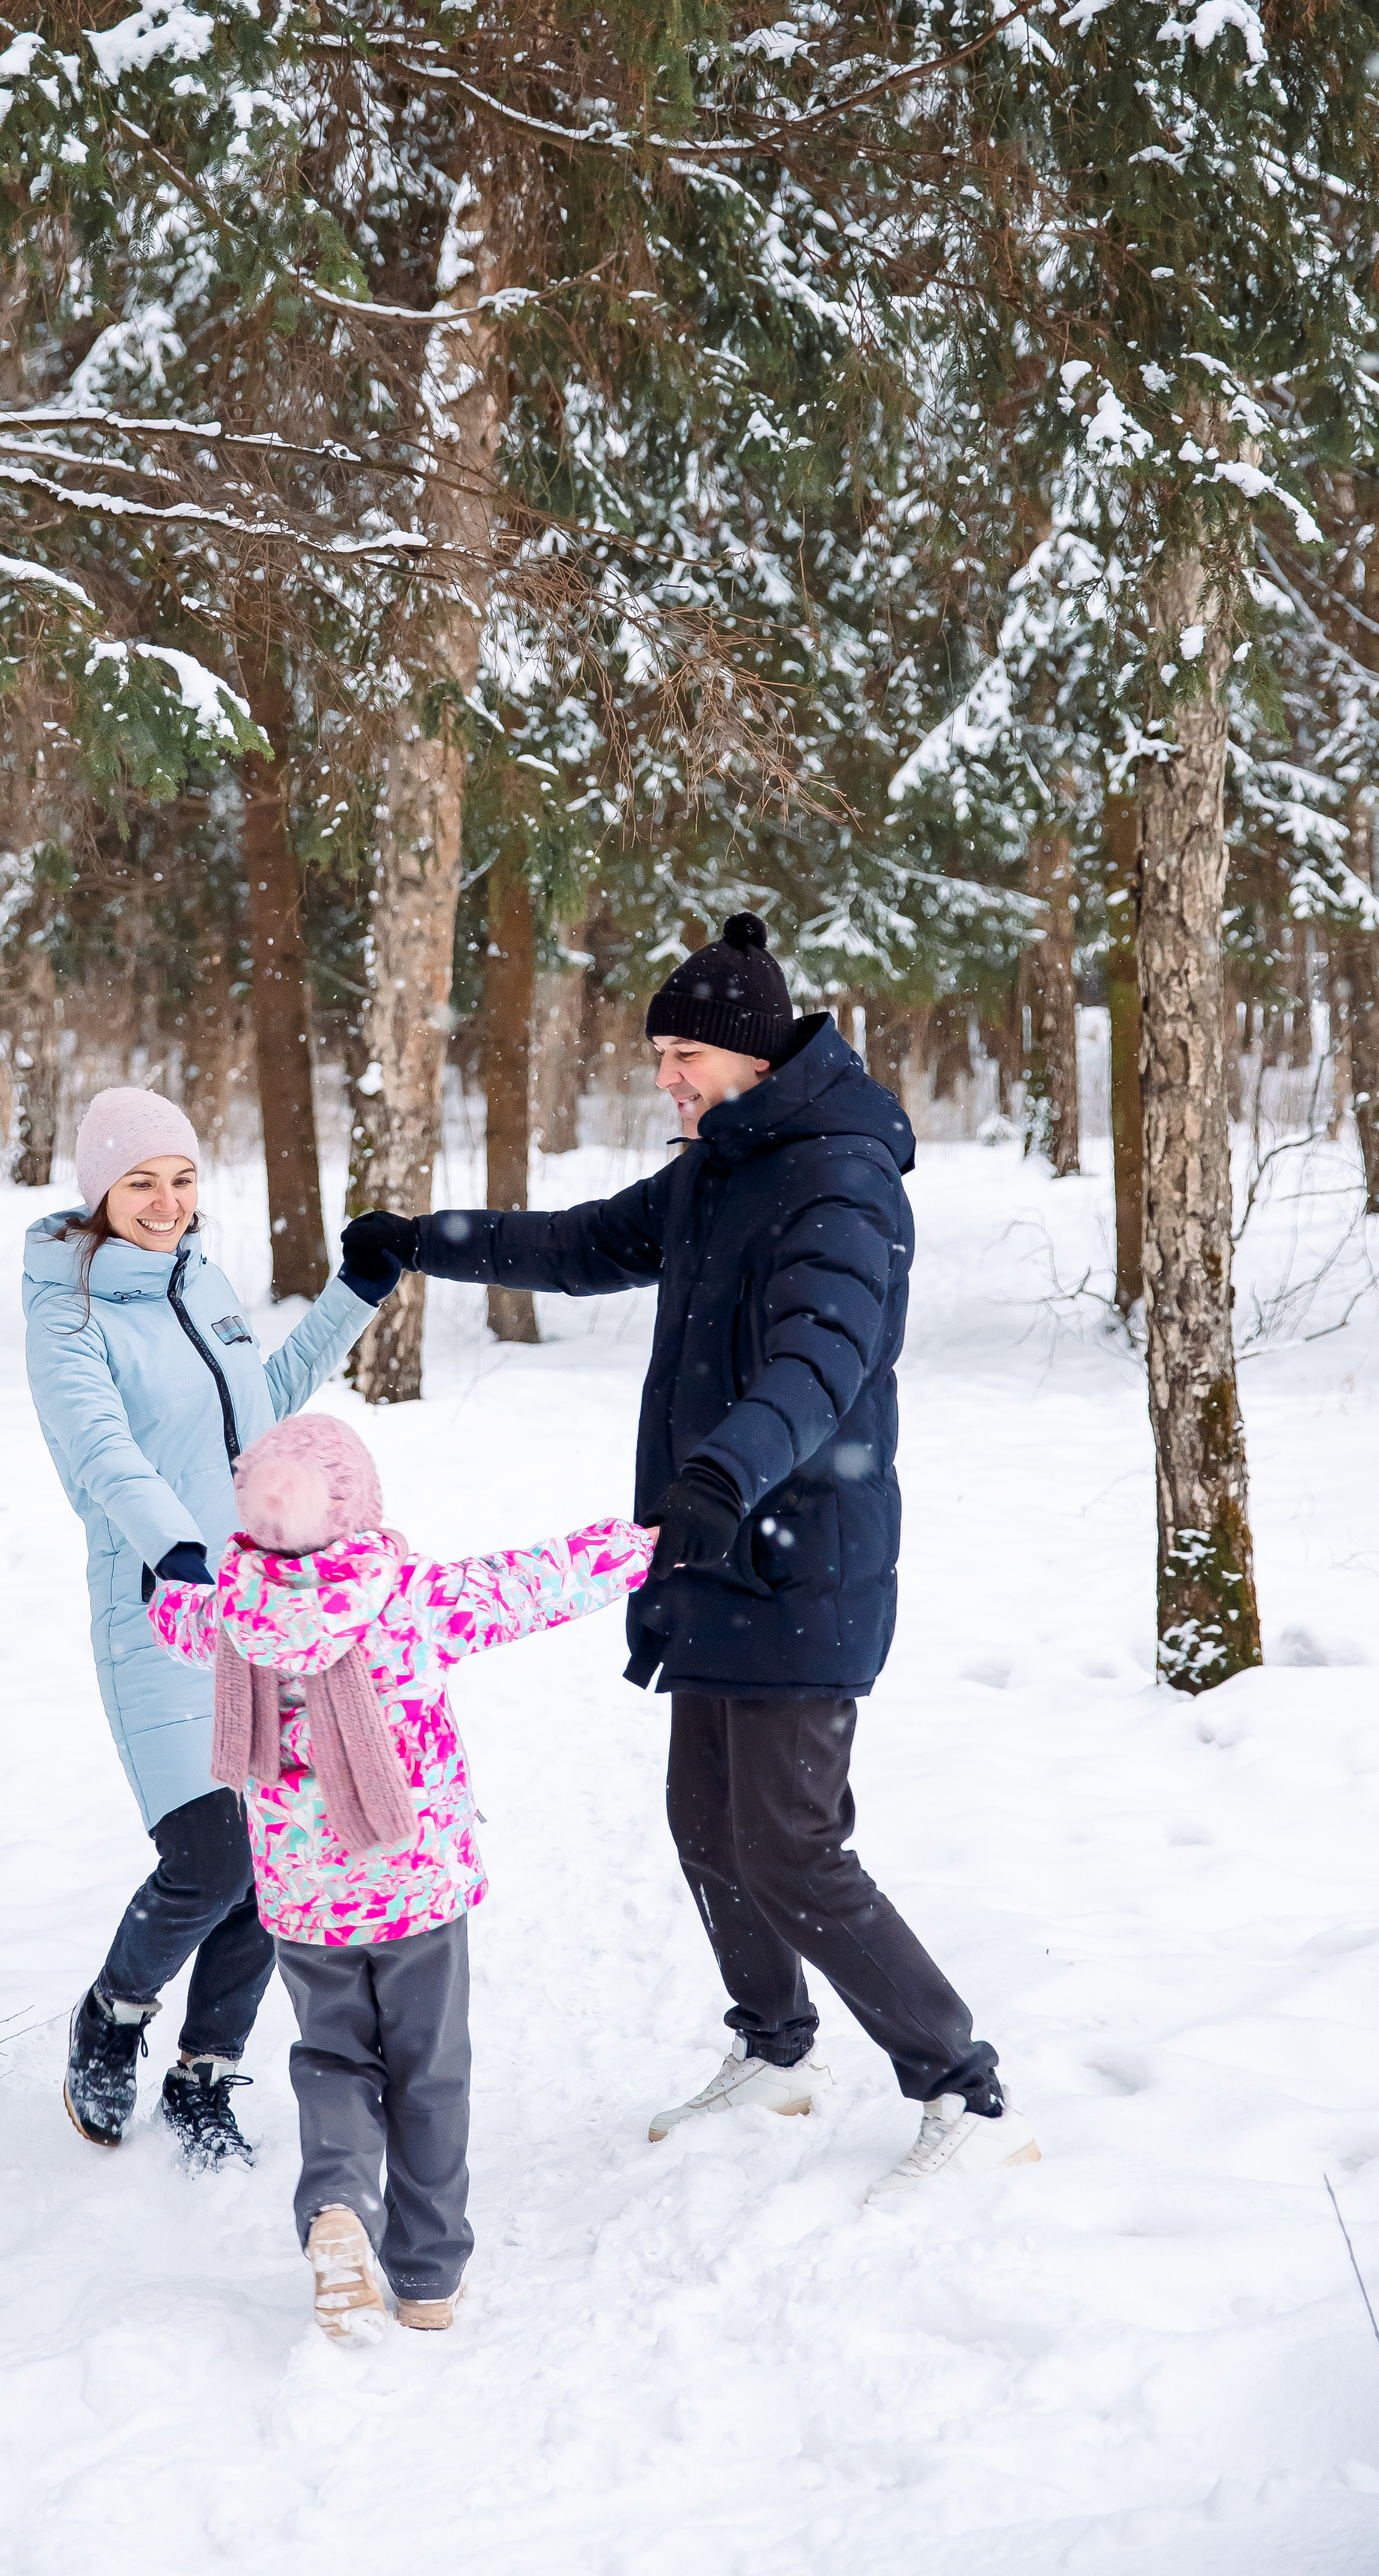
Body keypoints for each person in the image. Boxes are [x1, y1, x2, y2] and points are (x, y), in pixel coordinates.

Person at [341, 914, 1039, 2194]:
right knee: (705, 1826)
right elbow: (581, 1245)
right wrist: (419, 1239)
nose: (668, 1076)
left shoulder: (838, 1176)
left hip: (798, 1549)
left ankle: (959, 2081)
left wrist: (724, 1468)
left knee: (788, 1842)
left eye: (686, 1055)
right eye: (660, 1051)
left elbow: (819, 1361)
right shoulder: (721, 1165)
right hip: (713, 1543)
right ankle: (775, 2049)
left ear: (754, 1057)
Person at [148, 1408, 654, 2337]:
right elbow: (531, 1584)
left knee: (334, 2058)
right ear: (360, 1508)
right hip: (414, 1883)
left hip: (304, 1900)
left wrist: (170, 1581)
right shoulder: (405, 1596)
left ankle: (339, 2205)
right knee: (428, 2072)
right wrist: (637, 1545)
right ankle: (424, 2277)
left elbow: (170, 1613)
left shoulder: (229, 1610)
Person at [23, 1088, 399, 2169]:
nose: (166, 1202)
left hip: (253, 1609)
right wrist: (177, 1552)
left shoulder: (204, 1282)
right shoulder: (71, 1316)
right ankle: (115, 2014)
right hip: (157, 1609)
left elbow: (265, 1401)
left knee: (271, 1857)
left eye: (181, 1179)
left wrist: (354, 1296)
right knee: (207, 1857)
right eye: (141, 1183)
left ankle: (206, 2071)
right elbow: (102, 1454)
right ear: (99, 1191)